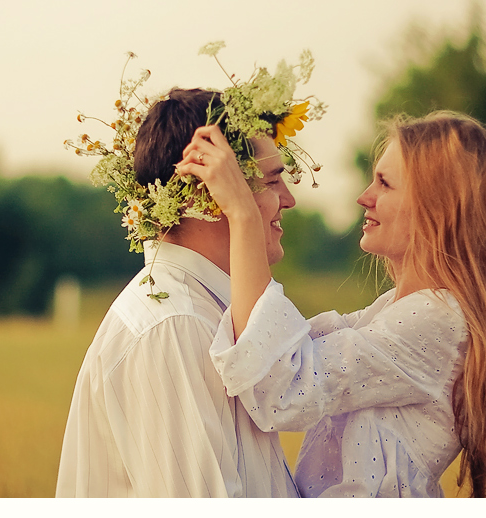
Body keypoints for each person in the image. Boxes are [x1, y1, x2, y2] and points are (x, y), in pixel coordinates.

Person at [176, 111, 486, 497]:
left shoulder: (436, 319)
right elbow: (289, 344)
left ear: (439, 207)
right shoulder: (398, 310)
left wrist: (244, 214)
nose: (363, 197)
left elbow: (282, 388)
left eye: (385, 183)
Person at [55, 88, 300, 497]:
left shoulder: (208, 311)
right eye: (273, 181)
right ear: (210, 189)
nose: (289, 199)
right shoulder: (173, 326)